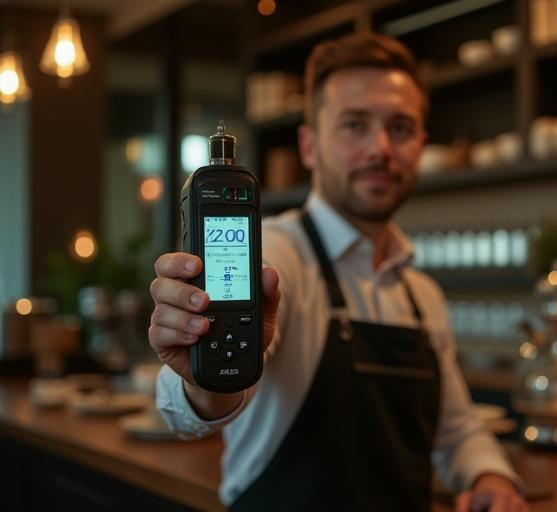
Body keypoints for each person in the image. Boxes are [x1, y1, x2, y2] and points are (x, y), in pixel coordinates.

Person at [149, 33, 528, 512]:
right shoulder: (277, 254)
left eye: (402, 127)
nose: (381, 148)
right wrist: (199, 378)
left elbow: (457, 428)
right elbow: (195, 411)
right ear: (309, 146)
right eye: (355, 125)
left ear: (421, 145)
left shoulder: (422, 293)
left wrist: (490, 475)